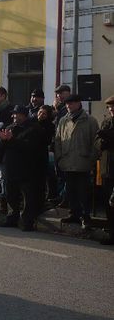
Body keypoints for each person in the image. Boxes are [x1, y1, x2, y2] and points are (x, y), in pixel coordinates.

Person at [54, 93, 99, 228]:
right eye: (67, 103)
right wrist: (60, 157)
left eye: (71, 103)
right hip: (67, 162)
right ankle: (74, 214)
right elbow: (58, 140)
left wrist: (92, 159)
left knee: (84, 191)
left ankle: (86, 216)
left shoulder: (90, 121)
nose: (68, 106)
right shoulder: (63, 120)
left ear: (79, 103)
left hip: (83, 162)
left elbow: (96, 142)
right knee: (71, 191)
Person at [0, 105, 44, 230]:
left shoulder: (33, 128)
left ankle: (27, 221)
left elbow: (29, 147)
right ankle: (12, 218)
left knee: (27, 197)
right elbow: (1, 146)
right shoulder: (10, 127)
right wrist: (3, 140)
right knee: (10, 195)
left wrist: (11, 140)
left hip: (26, 169)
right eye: (13, 114)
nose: (14, 116)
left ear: (24, 115)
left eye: (16, 114)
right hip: (10, 168)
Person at [95, 95, 114, 245]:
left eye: (113, 107)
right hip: (107, 169)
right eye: (109, 107)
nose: (111, 109)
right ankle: (111, 233)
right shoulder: (106, 122)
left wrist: (109, 138)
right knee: (108, 203)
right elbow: (97, 144)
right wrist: (102, 141)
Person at [53, 84, 72, 207]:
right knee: (59, 173)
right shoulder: (59, 108)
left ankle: (65, 198)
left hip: (67, 145)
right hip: (58, 144)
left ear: (68, 93)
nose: (59, 96)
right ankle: (61, 197)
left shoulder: (68, 108)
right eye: (58, 94)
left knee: (66, 174)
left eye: (61, 93)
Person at [36, 105, 58, 204]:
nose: (41, 115)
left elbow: (46, 139)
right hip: (31, 155)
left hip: (42, 155)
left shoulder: (50, 125)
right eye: (40, 112)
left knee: (44, 177)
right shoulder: (32, 122)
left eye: (44, 113)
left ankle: (46, 197)